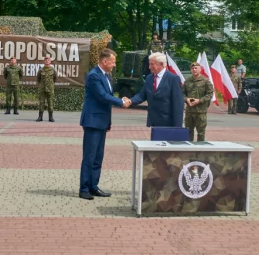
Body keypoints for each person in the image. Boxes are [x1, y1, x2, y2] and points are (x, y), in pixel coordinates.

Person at [78, 48, 127, 200]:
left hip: (102, 121)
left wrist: (121, 99)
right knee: (89, 156)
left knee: (98, 157)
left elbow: (108, 95)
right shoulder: (94, 76)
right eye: (112, 62)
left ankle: (94, 186)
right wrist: (121, 102)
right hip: (93, 121)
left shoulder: (106, 76)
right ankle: (84, 188)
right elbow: (102, 96)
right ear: (104, 61)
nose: (114, 65)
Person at [129, 52, 185, 128]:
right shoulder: (149, 78)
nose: (149, 67)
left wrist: (177, 126)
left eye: (152, 64)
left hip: (168, 122)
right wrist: (130, 101)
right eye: (149, 64)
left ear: (161, 64)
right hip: (154, 121)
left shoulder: (173, 79)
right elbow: (142, 95)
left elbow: (178, 104)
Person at [182, 63, 214, 141]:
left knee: (201, 133)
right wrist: (186, 99)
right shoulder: (187, 81)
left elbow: (210, 94)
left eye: (196, 68)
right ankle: (189, 150)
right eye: (192, 68)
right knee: (188, 132)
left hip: (201, 111)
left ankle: (200, 151)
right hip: (190, 111)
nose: (194, 70)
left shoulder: (206, 81)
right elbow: (182, 93)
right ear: (191, 70)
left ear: (200, 70)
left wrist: (200, 100)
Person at [36, 56, 56, 122]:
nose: (47, 61)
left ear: (50, 62)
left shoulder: (53, 70)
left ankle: (51, 117)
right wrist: (42, 85)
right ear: (44, 61)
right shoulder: (41, 70)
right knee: (41, 103)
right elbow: (38, 79)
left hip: (50, 89)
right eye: (46, 60)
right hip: (42, 89)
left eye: (48, 60)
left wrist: (50, 85)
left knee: (50, 103)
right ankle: (40, 117)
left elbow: (55, 79)